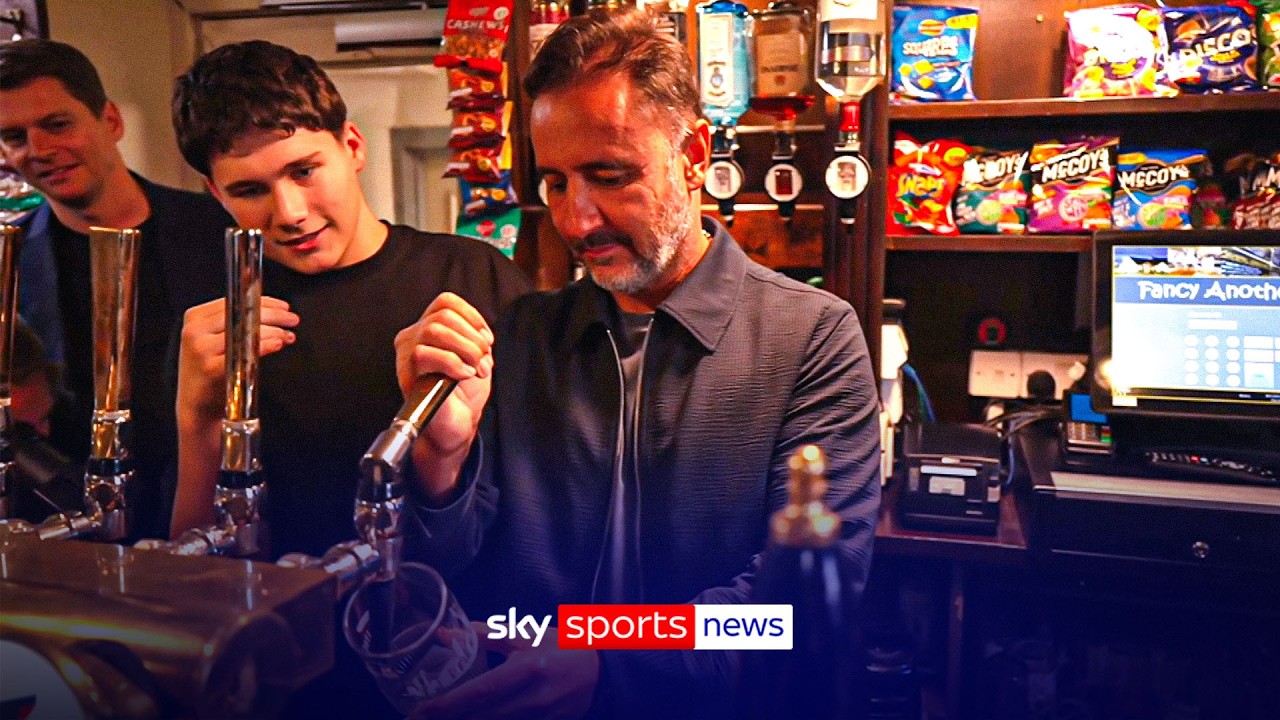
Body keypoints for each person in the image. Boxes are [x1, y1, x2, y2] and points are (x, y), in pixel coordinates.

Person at [398, 8, 882, 719]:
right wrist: (441, 463)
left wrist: (601, 658)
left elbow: (788, 609)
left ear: (693, 158)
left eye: (610, 175)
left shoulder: (810, 336)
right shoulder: (527, 332)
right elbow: (445, 571)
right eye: (556, 183)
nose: (576, 220)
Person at [166, 40, 530, 718]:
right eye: (250, 190)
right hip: (281, 682)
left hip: (454, 659)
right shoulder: (212, 327)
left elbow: (535, 517)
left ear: (352, 145)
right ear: (216, 194)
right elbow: (188, 574)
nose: (291, 212)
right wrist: (196, 423)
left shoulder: (472, 278)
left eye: (305, 170)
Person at [0, 39, 231, 539]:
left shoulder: (218, 232)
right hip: (67, 533)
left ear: (110, 120)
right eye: (15, 136)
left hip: (214, 519)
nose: (39, 150)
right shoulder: (8, 262)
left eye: (57, 125)